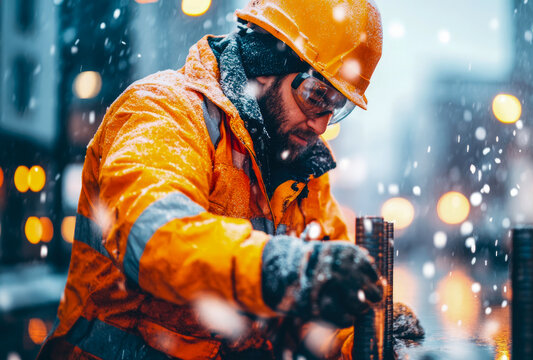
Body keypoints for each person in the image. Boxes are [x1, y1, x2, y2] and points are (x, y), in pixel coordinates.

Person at [38, 0, 423, 358]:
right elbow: (155, 238)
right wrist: (286, 268)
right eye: (316, 94)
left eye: (336, 107)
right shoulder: (162, 111)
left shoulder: (301, 168)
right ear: (265, 64)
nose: (321, 123)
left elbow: (314, 306)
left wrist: (364, 328)